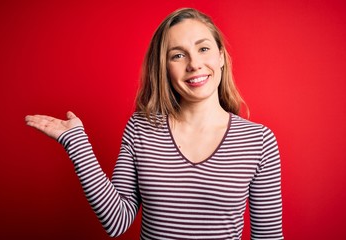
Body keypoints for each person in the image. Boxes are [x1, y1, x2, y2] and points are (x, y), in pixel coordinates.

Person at [25, 8, 283, 240]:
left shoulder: (259, 141)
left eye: (203, 49)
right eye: (178, 55)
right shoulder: (141, 128)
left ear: (221, 57)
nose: (194, 64)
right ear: (164, 68)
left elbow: (268, 237)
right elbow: (116, 221)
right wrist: (77, 144)